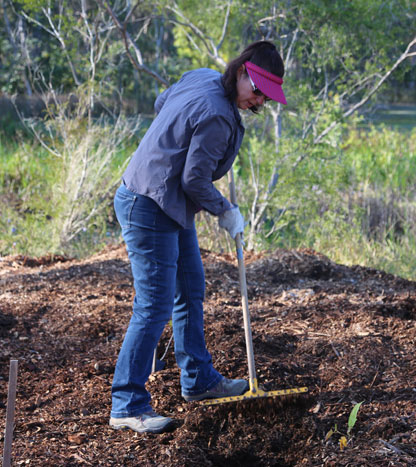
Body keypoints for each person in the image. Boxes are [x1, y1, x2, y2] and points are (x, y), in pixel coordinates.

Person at [109, 41, 287, 434]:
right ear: (241, 72)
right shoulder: (218, 116)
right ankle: (127, 404)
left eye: (264, 96)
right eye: (255, 90)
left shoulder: (202, 78)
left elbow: (162, 102)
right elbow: (193, 180)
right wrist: (225, 210)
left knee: (190, 289)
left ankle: (199, 381)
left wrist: (175, 136)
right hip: (149, 205)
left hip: (165, 201)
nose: (257, 100)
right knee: (153, 306)